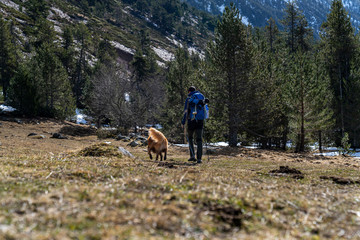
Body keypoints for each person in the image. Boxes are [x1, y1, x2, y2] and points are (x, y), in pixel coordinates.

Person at [181, 86, 206, 164]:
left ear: (189, 91)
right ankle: (199, 158)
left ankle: (192, 156)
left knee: (190, 137)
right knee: (199, 139)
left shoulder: (189, 98)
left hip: (191, 120)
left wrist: (183, 122)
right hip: (200, 120)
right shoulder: (201, 97)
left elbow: (186, 111)